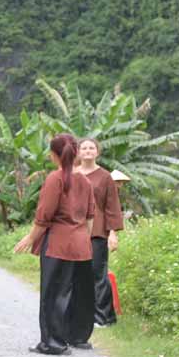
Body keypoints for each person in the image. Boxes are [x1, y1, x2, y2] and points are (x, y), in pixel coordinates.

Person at [13, 133, 96, 354]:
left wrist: (29, 238)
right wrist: (83, 240)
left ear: (53, 155)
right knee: (70, 293)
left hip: (58, 244)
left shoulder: (55, 179)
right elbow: (90, 218)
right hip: (80, 245)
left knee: (52, 293)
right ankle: (70, 338)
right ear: (75, 153)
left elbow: (44, 217)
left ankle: (53, 343)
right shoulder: (85, 181)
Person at [74, 138, 124, 326]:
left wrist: (112, 233)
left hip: (97, 230)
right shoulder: (73, 174)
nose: (88, 151)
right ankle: (82, 315)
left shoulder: (104, 177)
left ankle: (103, 318)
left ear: (97, 152)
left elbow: (112, 206)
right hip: (75, 230)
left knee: (97, 274)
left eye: (91, 148)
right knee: (78, 275)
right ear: (78, 152)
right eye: (84, 148)